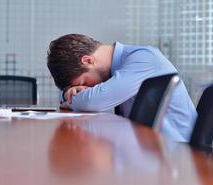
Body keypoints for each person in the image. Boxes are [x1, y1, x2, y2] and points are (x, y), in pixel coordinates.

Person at [47, 34, 197, 142]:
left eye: (84, 82)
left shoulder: (143, 58)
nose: (86, 88)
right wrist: (68, 93)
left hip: (179, 153)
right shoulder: (118, 68)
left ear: (88, 60)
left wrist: (71, 98)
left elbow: (93, 102)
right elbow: (76, 97)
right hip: (150, 149)